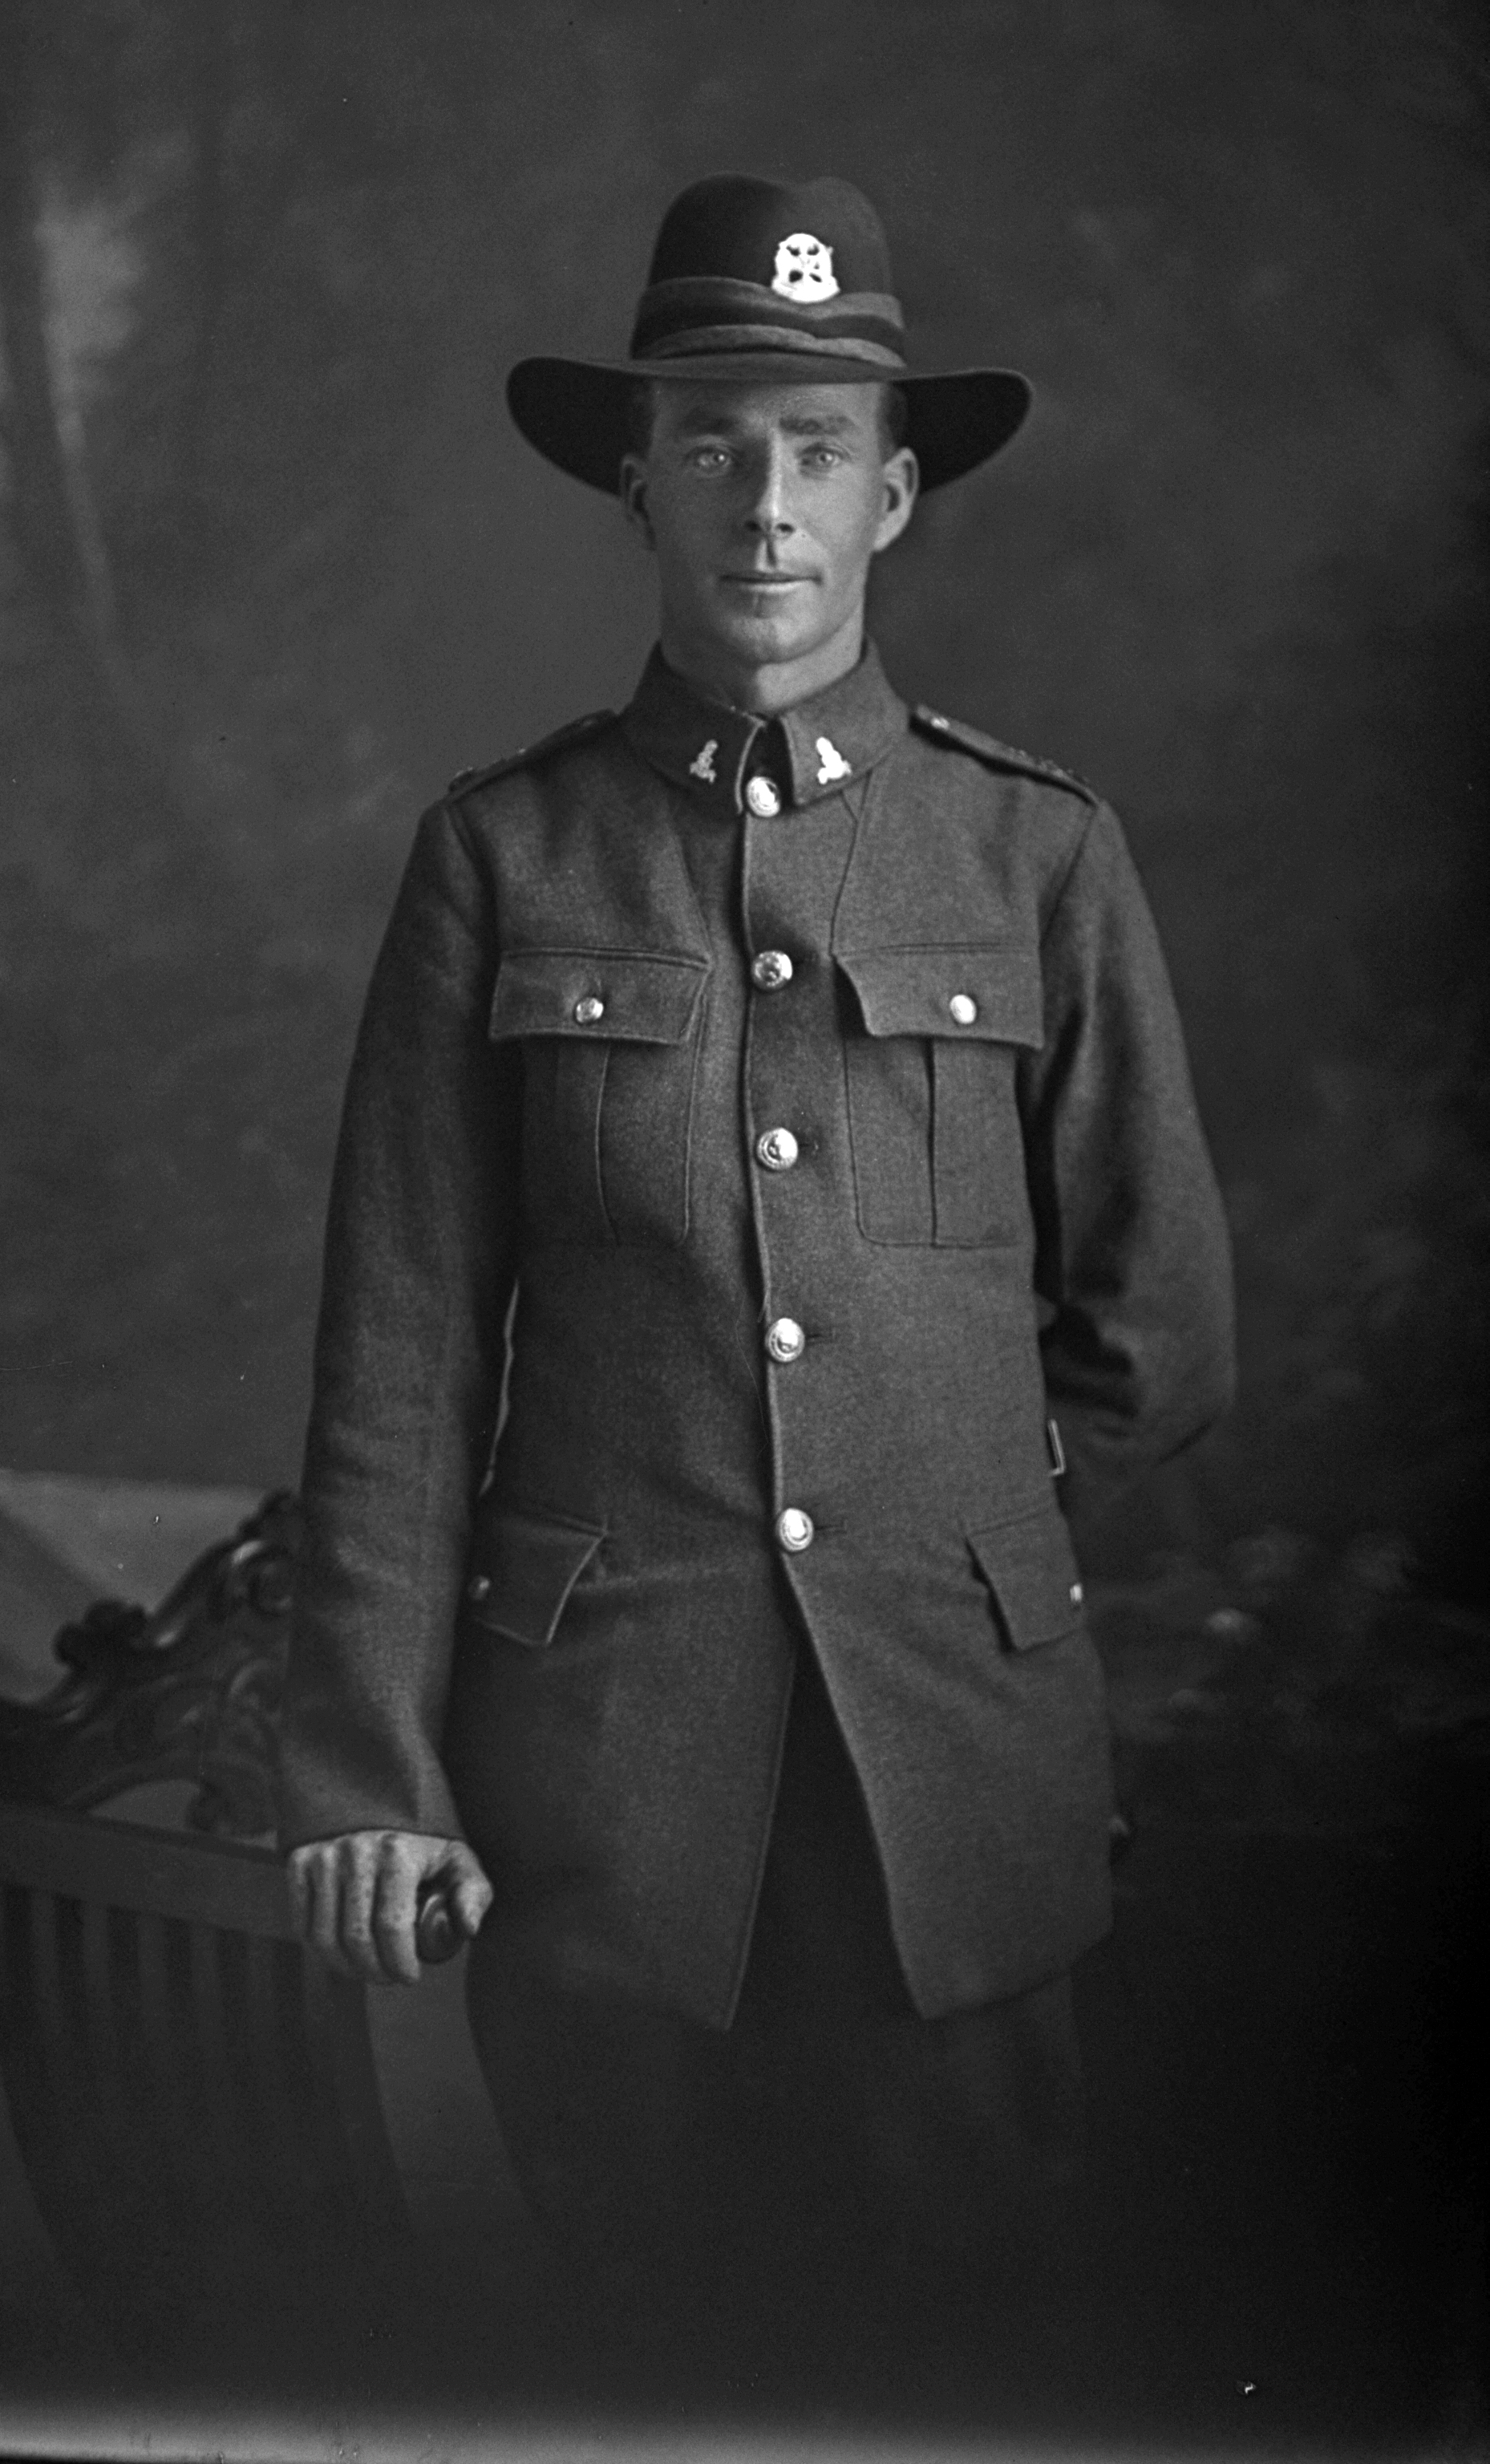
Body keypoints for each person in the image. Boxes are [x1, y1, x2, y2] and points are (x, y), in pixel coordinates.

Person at [280, 173, 1235, 2390]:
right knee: (644, 2357)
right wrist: (366, 1778)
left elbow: (1162, 1333)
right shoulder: (504, 855)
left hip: (957, 1802)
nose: (766, 501)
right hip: (605, 1799)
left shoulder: (1038, 854)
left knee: (972, 2366)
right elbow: (402, 1364)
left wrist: (945, 1512)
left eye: (816, 447)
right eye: (713, 440)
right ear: (638, 481)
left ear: (895, 497)